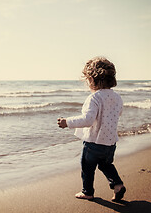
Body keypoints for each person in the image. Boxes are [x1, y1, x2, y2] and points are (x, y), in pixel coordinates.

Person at [57, 56, 126, 202]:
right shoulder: (117, 97)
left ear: (94, 79)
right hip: (110, 143)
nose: (87, 84)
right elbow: (118, 113)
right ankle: (118, 185)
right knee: (106, 165)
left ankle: (87, 191)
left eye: (87, 80)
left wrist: (67, 122)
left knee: (87, 168)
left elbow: (87, 120)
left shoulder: (94, 98)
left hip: (93, 143)